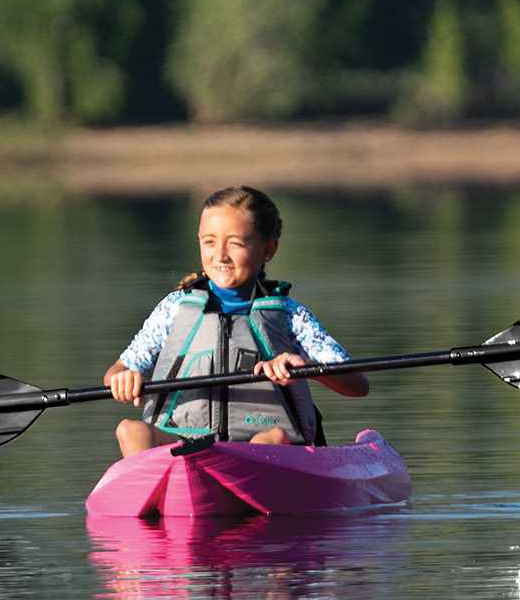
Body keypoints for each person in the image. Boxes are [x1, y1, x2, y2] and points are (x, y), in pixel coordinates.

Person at [101, 185, 368, 458]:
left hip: (269, 449)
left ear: (268, 250)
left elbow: (358, 385)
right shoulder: (174, 308)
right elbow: (117, 371)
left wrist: (306, 367)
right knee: (131, 430)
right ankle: (154, 484)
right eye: (209, 242)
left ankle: (250, 472)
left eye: (236, 243)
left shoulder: (290, 316)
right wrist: (122, 378)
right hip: (183, 441)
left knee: (274, 437)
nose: (220, 255)